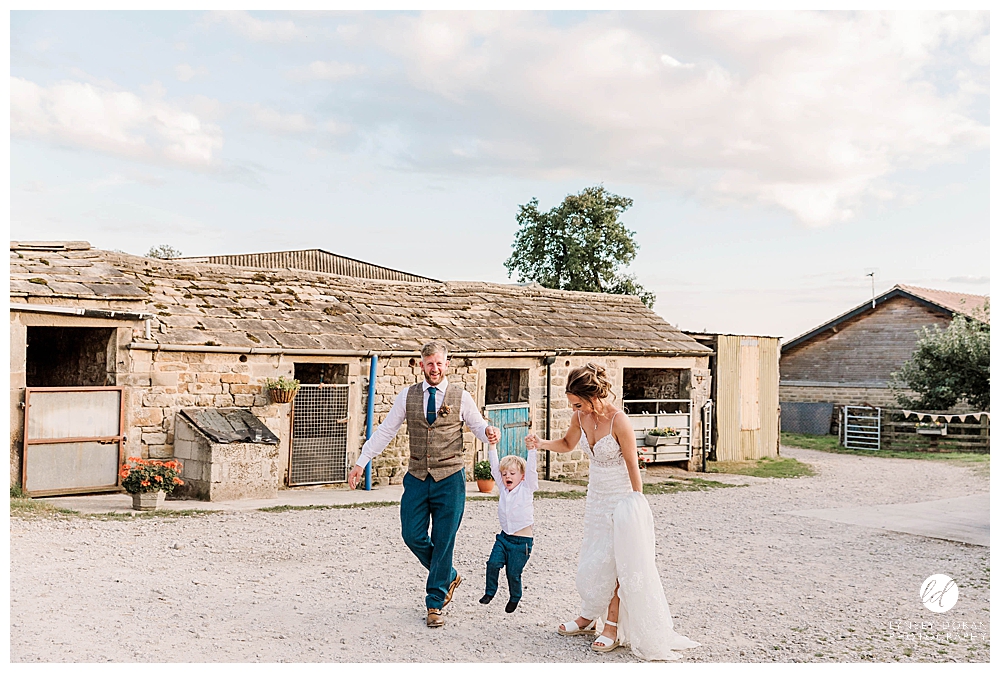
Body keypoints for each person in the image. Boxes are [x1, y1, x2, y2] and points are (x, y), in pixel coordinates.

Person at [525, 363, 700, 660]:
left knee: (620, 561)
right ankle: (588, 616)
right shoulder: (580, 416)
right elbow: (568, 444)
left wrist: (637, 505)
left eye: (578, 402)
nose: (575, 408)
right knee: (595, 556)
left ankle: (612, 626)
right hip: (596, 497)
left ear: (594, 396)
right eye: (573, 404)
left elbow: (633, 465)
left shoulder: (620, 421)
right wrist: (541, 443)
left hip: (621, 497)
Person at [347, 341, 500, 628]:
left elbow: (478, 426)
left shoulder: (461, 396)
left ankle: (434, 603)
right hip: (417, 476)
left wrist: (488, 432)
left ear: (447, 365)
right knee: (412, 534)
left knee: (444, 540)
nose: (435, 368)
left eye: (439, 363)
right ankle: (449, 574)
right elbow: (385, 431)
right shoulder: (407, 396)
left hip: (450, 478)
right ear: (421, 365)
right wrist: (361, 461)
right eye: (430, 363)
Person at [479, 444, 538, 613]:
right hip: (504, 538)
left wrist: (532, 450)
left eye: (512, 474)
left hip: (522, 543)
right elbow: (494, 467)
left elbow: (532, 470)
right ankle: (490, 592)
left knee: (513, 574)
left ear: (522, 476)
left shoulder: (527, 488)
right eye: (505, 474)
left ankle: (515, 596)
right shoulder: (504, 489)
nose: (507, 477)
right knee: (492, 564)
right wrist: (491, 446)